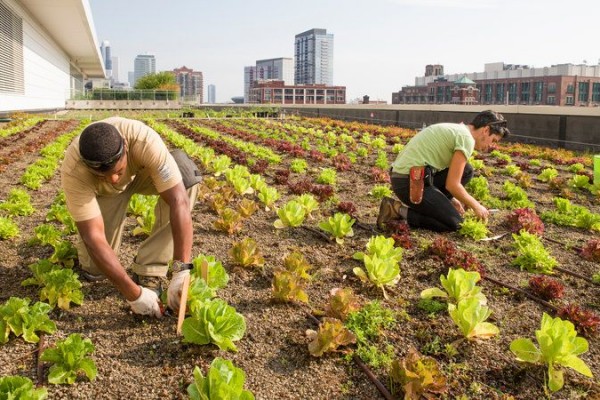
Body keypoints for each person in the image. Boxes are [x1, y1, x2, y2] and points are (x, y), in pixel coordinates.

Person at [60, 117, 201, 318]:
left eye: (117, 171)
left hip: (142, 175)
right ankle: (97, 263)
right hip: (105, 193)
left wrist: (181, 270)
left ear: (125, 147)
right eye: (103, 175)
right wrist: (134, 295)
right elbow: (93, 237)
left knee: (187, 178)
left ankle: (149, 269)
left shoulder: (144, 141)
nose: (114, 179)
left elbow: (179, 201)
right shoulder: (75, 170)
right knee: (94, 268)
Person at [377, 110, 510, 232]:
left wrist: (451, 199)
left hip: (415, 177)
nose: (491, 146)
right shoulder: (466, 139)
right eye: (493, 140)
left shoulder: (460, 130)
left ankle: (436, 208)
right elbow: (452, 185)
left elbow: (452, 180)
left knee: (467, 170)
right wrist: (476, 206)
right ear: (486, 130)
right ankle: (396, 210)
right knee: (454, 224)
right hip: (408, 183)